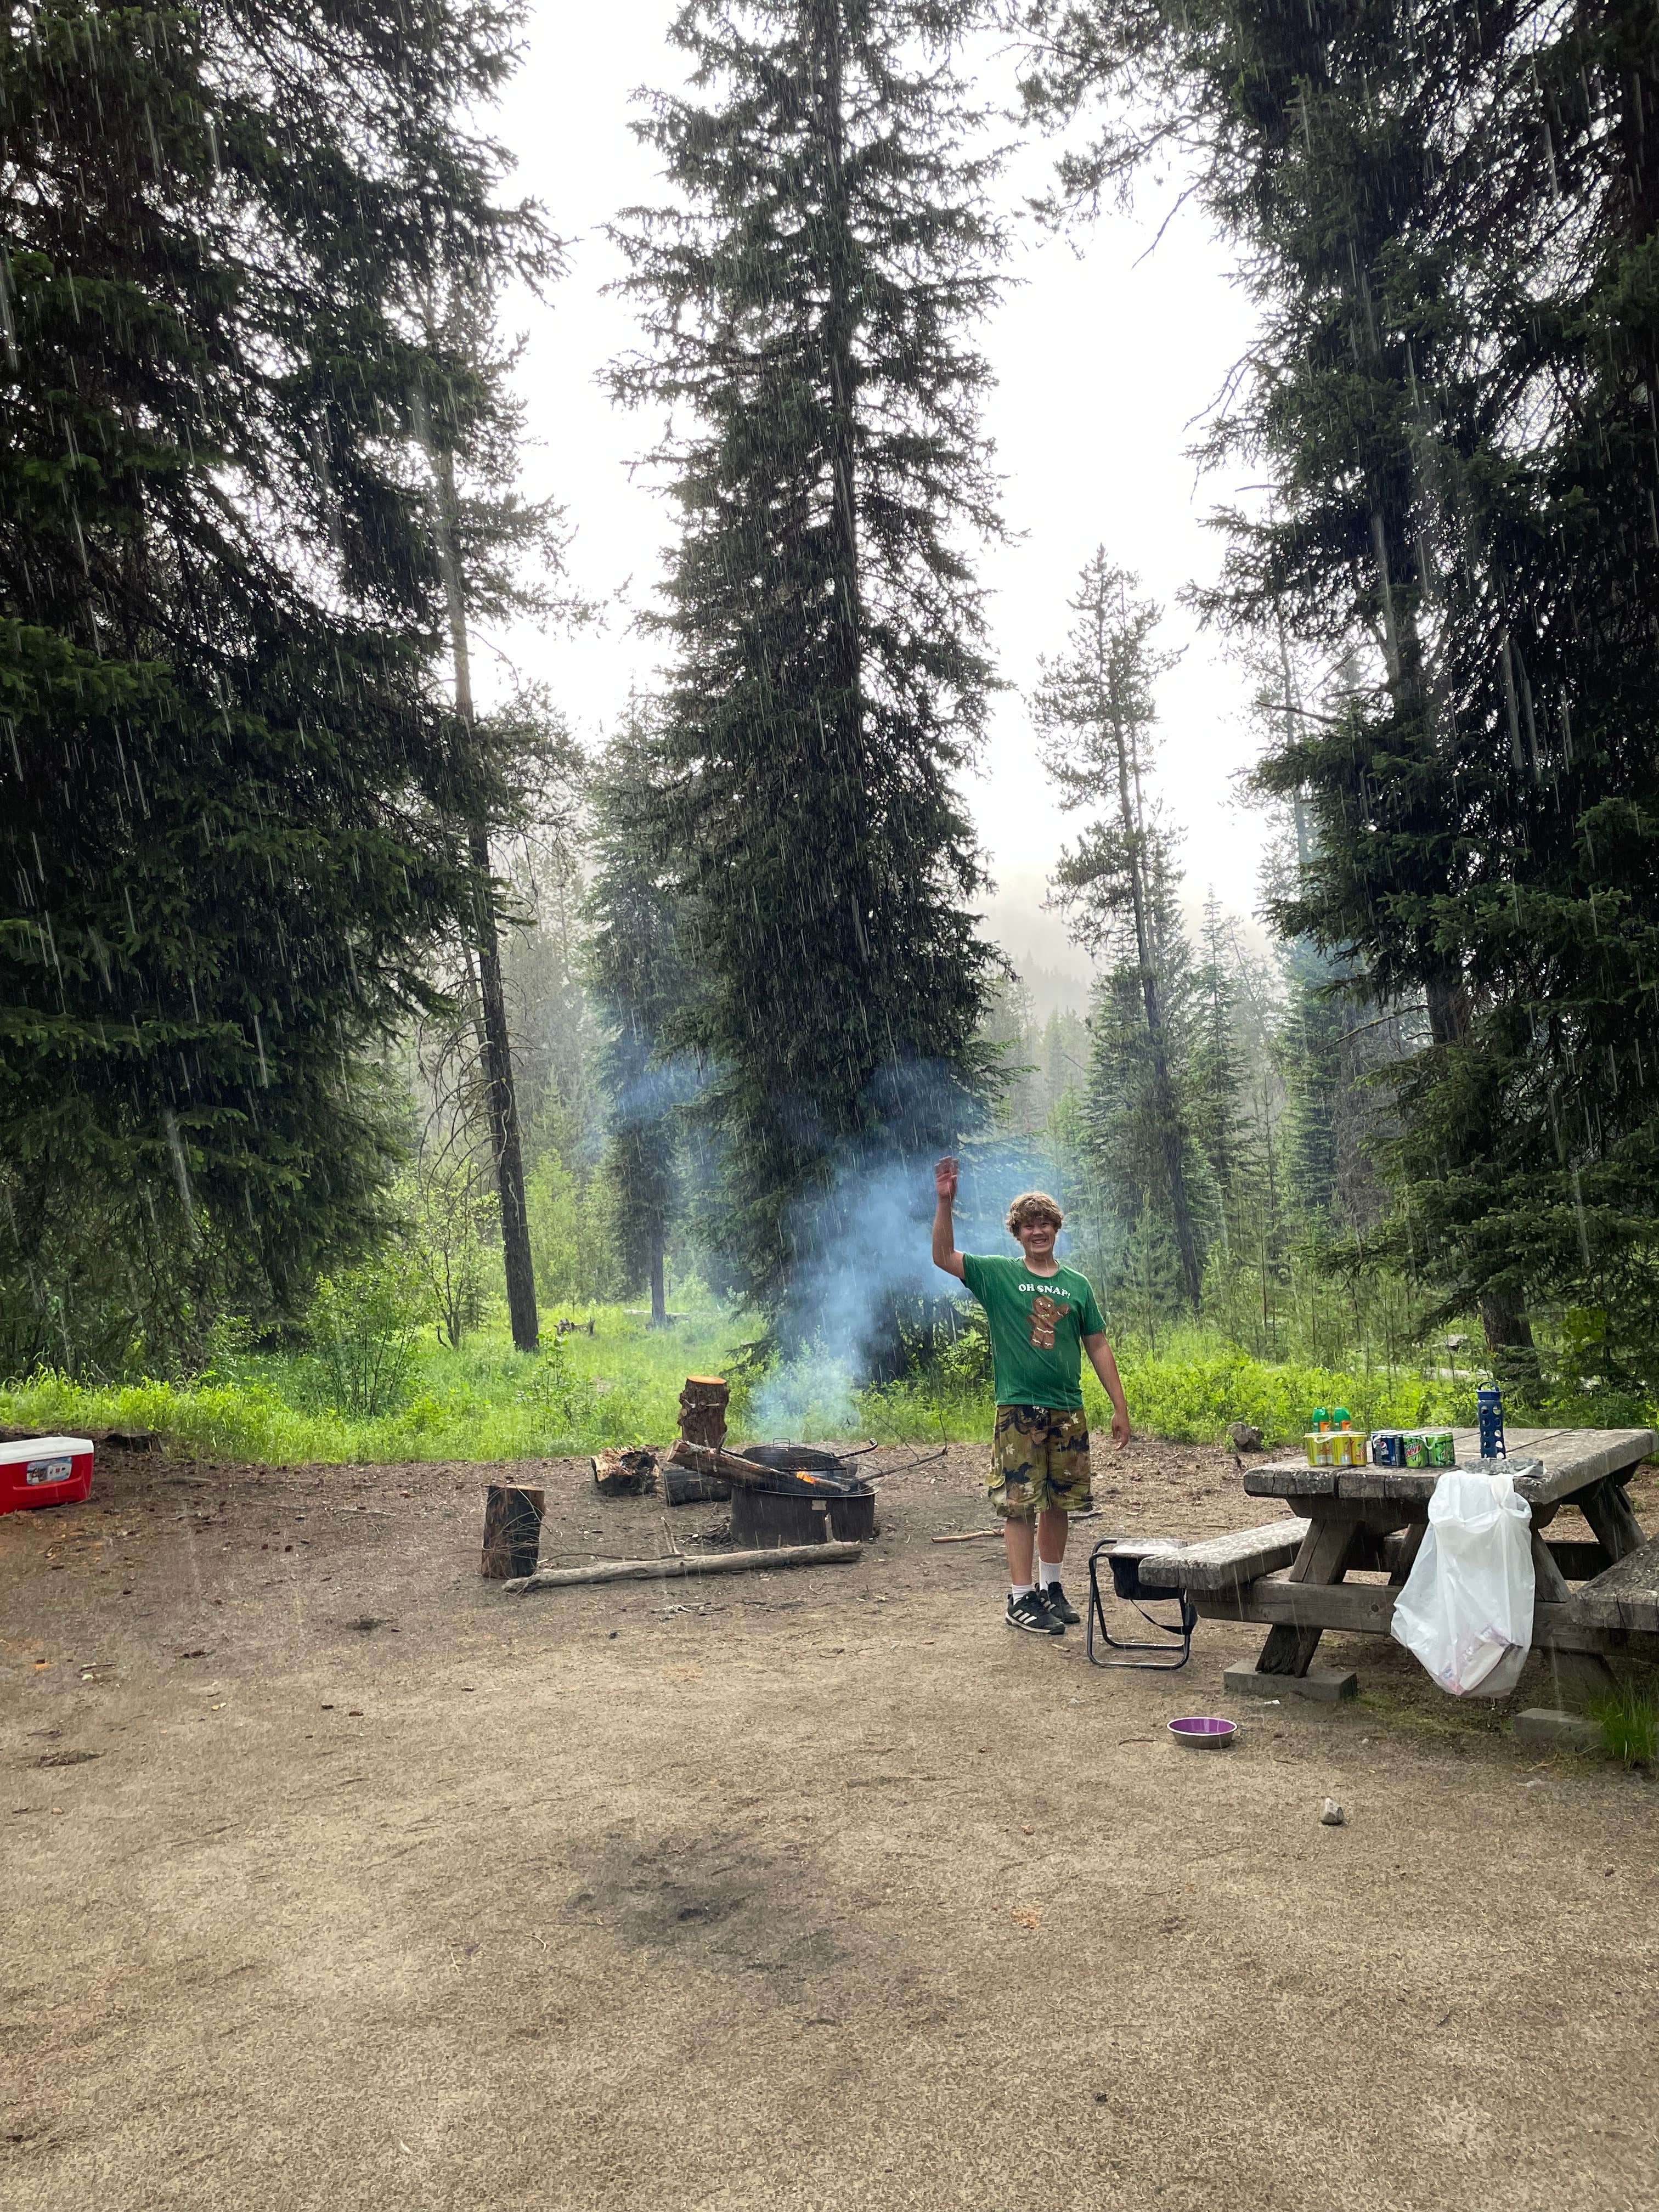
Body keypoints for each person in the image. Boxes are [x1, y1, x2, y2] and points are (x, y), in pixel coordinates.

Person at [931, 1157, 1131, 1636]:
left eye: (1045, 1224)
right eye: (1029, 1225)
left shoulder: (1076, 1285)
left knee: (1060, 1503)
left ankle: (1050, 1587)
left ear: (1056, 1229)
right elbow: (943, 1256)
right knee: (1019, 1503)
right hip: (1019, 1409)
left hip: (1068, 1410)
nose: (1038, 1232)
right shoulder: (998, 1275)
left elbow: (1097, 1344)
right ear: (1017, 1234)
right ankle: (1020, 1597)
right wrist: (945, 1204)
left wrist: (1119, 1406)